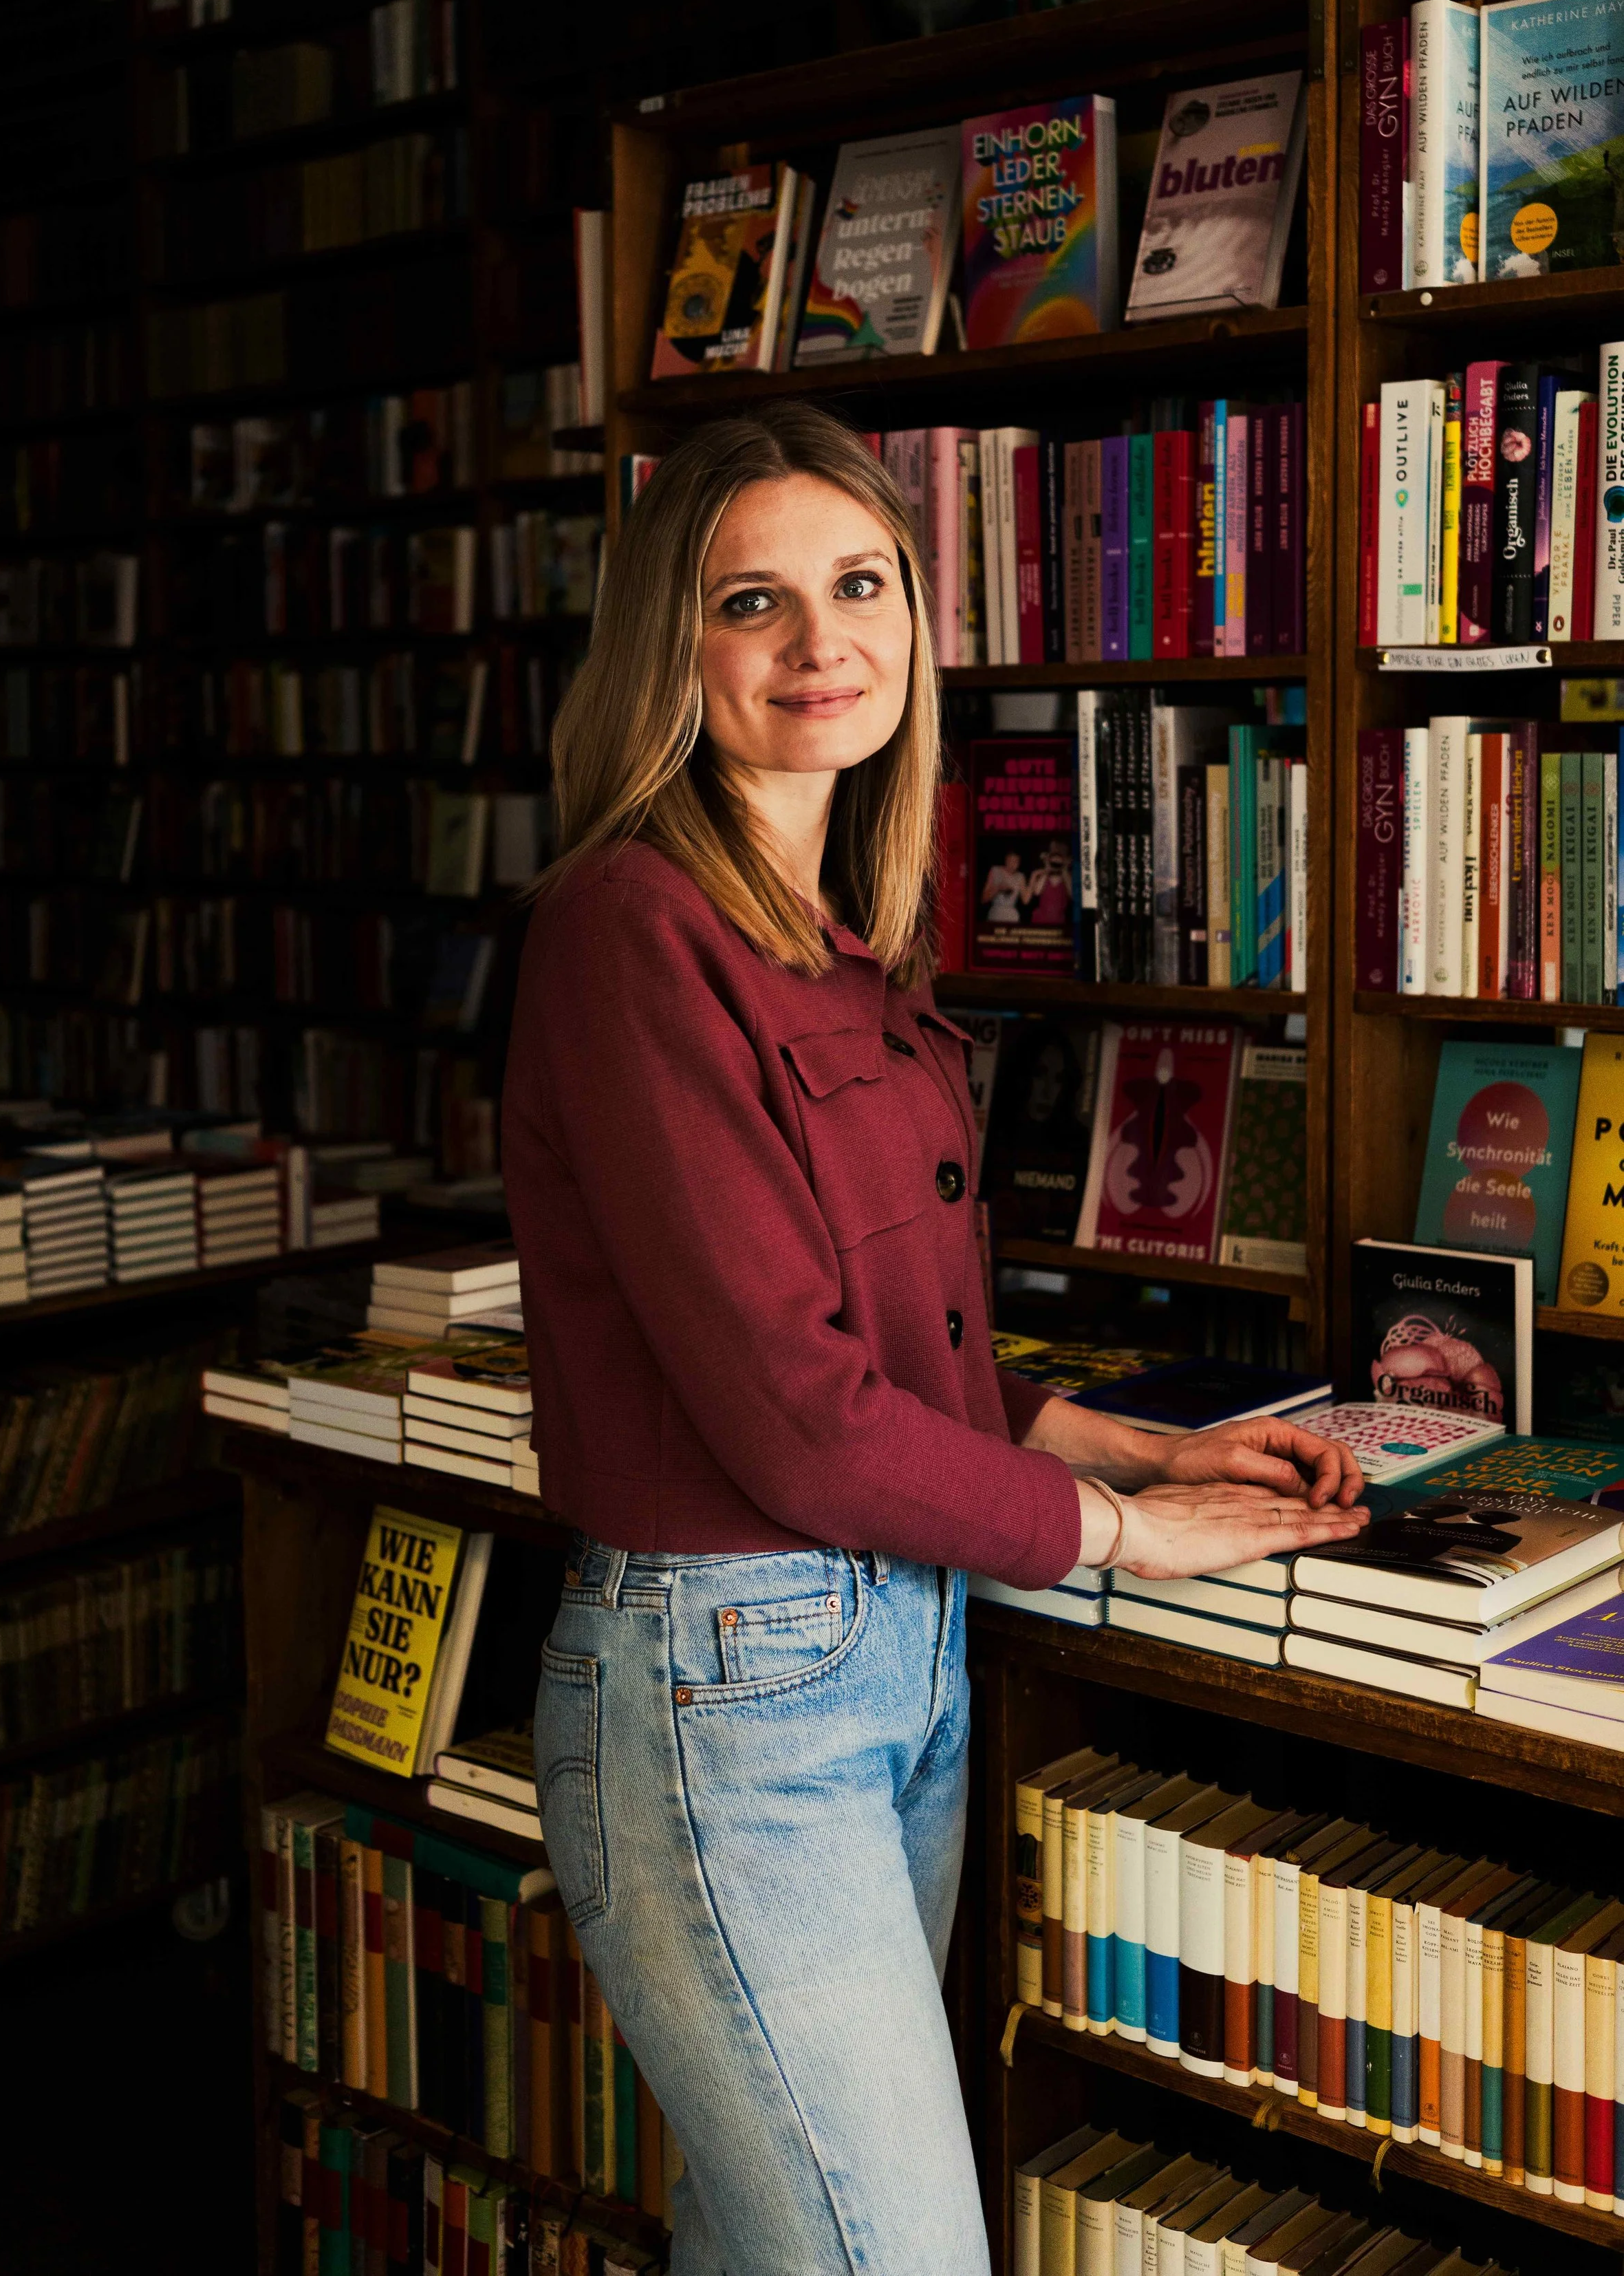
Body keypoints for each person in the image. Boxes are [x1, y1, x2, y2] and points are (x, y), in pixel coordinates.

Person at [501, 405, 1365, 2276]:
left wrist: (1126, 1449)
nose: (825, 639)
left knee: (769, 2246)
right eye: (755, 598)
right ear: (675, 644)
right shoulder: (627, 930)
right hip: (724, 1693)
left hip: (898, 1653)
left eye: (860, 583)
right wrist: (1127, 1539)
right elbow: (804, 1420)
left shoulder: (836, 937)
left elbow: (898, 1354)